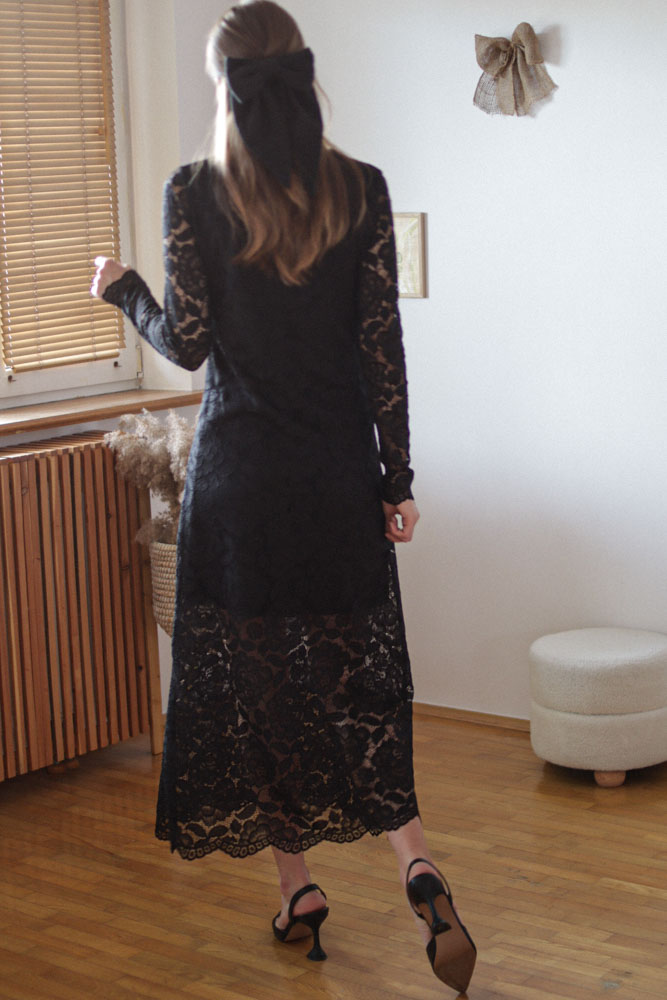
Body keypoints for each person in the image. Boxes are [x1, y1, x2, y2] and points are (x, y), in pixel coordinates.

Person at [91, 1, 475, 992]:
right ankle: (417, 863)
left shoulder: (194, 193)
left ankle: (297, 888)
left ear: (224, 85)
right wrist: (396, 480)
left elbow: (187, 344)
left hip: (239, 491)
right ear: (302, 73)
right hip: (336, 482)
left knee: (264, 698)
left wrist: (122, 289)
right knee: (359, 689)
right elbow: (382, 352)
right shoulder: (359, 189)